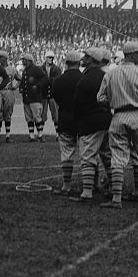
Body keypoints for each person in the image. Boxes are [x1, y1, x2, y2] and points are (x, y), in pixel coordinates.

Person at [97, 41, 138, 209]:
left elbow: (100, 99)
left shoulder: (111, 74)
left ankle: (117, 198)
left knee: (117, 157)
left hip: (118, 115)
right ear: (131, 55)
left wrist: (112, 103)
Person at [68, 48, 113, 203]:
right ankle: (113, 188)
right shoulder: (106, 76)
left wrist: (77, 121)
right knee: (108, 157)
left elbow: (77, 104)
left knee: (88, 157)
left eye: (86, 56)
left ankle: (87, 191)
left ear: (92, 59)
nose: (83, 58)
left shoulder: (85, 79)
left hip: (89, 122)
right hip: (107, 121)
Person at [51, 51, 83, 196]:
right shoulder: (84, 79)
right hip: (83, 119)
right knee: (88, 154)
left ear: (66, 63)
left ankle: (66, 185)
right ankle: (92, 184)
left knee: (66, 153)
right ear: (79, 62)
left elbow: (56, 100)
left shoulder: (58, 80)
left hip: (65, 118)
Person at [19, 53, 47, 142]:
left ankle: (40, 135)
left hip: (35, 98)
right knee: (29, 118)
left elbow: (45, 78)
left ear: (29, 61)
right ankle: (31, 136)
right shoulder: (25, 71)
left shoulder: (36, 69)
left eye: (25, 60)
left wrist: (38, 86)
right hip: (27, 98)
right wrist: (21, 88)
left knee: (36, 117)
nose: (23, 62)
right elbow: (23, 82)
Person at [0, 51, 20, 142]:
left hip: (8, 91)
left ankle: (7, 136)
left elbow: (20, 79)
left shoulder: (12, 69)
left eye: (1, 57)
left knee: (8, 113)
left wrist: (15, 86)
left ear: (5, 58)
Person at [41, 51, 62, 132]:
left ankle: (57, 134)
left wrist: (46, 80)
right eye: (49, 57)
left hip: (53, 95)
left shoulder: (57, 69)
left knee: (56, 115)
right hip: (44, 95)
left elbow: (57, 80)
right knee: (42, 115)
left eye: (52, 58)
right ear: (45, 58)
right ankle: (40, 133)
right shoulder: (41, 68)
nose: (51, 59)